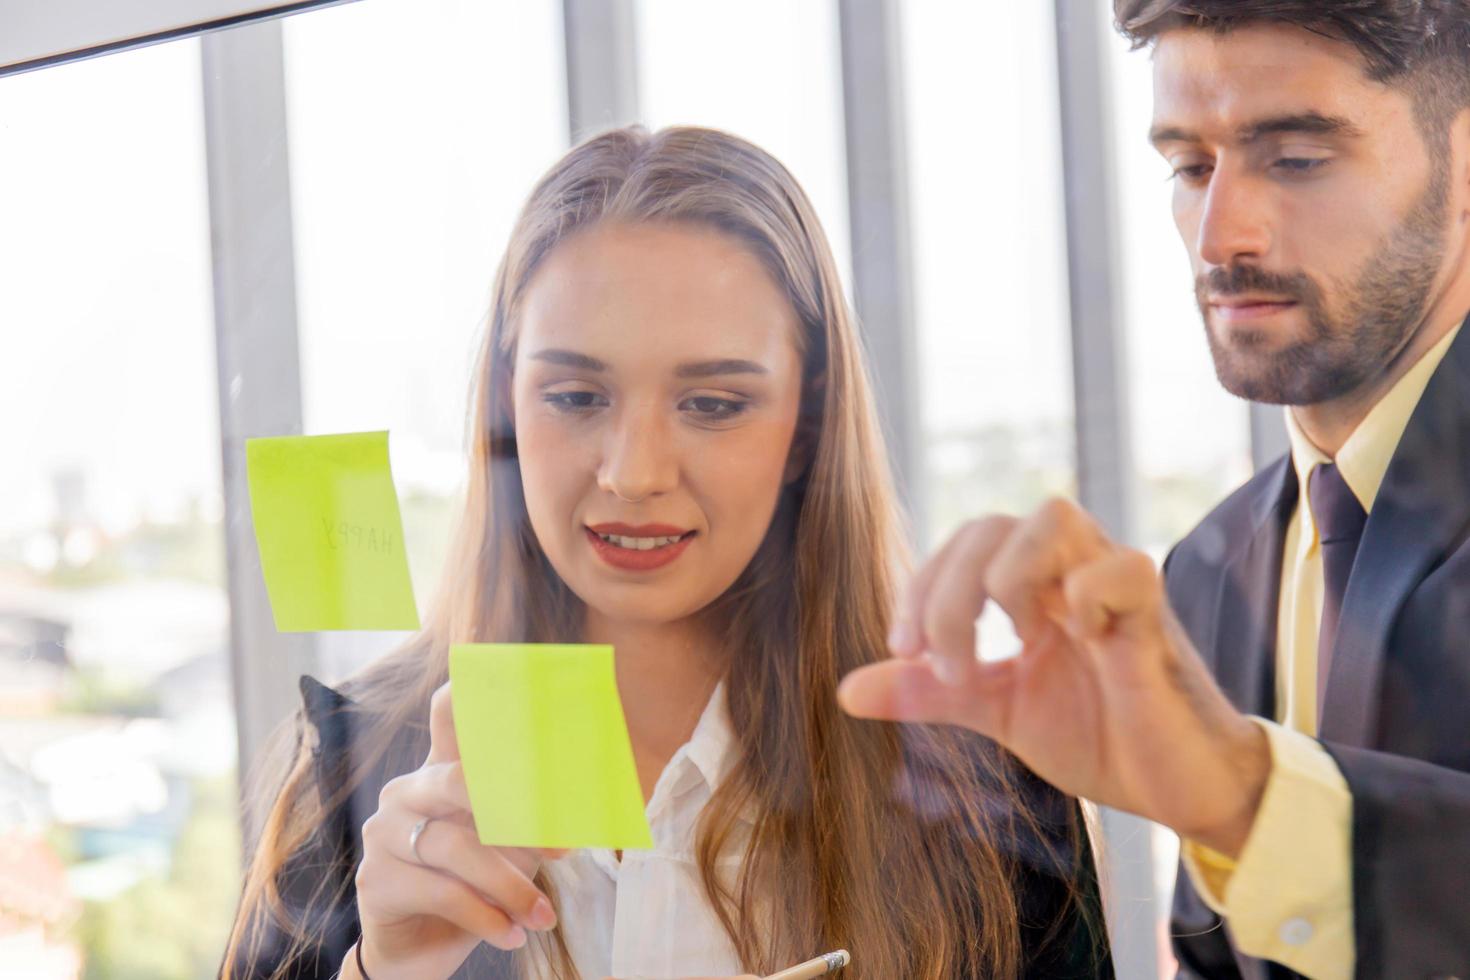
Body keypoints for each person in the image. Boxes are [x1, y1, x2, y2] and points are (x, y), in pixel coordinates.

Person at [221, 126, 1109, 980]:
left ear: (807, 426)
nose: (633, 473)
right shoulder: (354, 779)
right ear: (506, 408)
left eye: (714, 404)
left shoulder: (989, 789)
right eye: (574, 396)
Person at [841, 3, 1470, 978]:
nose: (1223, 232)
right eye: (1189, 166)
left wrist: (1243, 794)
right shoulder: (1209, 573)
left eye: (1296, 157)